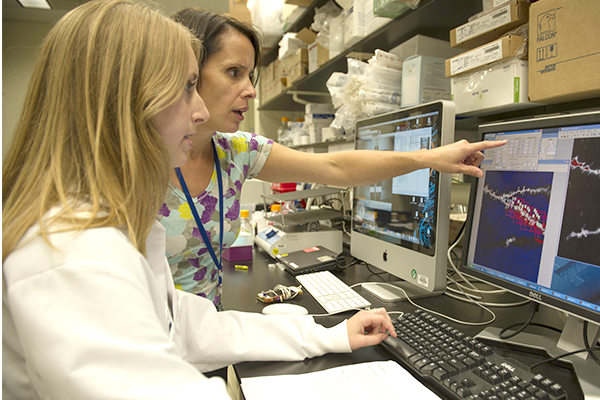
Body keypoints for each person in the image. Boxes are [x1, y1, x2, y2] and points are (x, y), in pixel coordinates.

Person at [1, 1, 397, 398]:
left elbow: (190, 327)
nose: (200, 110)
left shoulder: (113, 225)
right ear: (128, 99)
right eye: (188, 87)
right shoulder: (73, 252)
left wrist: (325, 335)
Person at [161, 8, 507, 308]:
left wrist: (428, 158)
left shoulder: (235, 151)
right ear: (188, 72)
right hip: (148, 351)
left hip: (205, 335)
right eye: (234, 72)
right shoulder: (138, 161)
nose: (250, 89)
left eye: (250, 76)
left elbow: (334, 167)